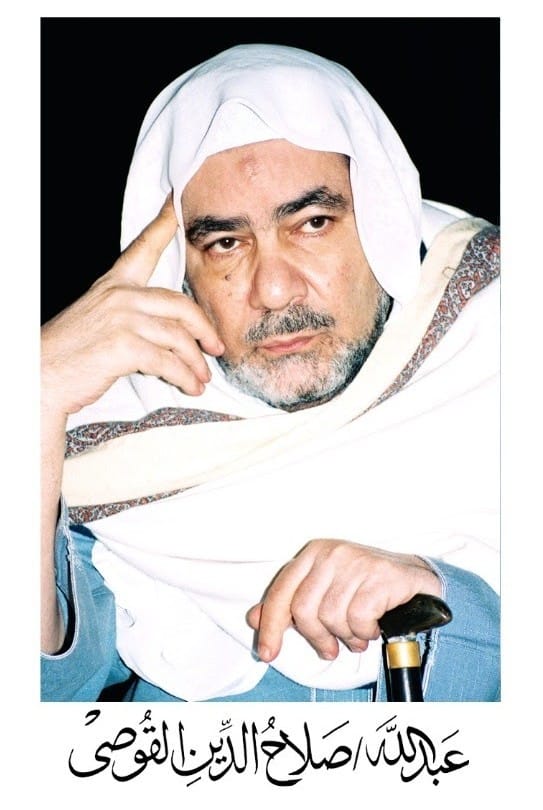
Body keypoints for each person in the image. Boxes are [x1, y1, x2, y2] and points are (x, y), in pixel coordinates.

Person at [41, 43, 500, 702]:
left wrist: (454, 606)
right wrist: (30, 404)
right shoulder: (112, 439)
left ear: (386, 218)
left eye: (313, 223)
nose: (275, 291)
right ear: (178, 270)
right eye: (225, 243)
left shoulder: (502, 344)